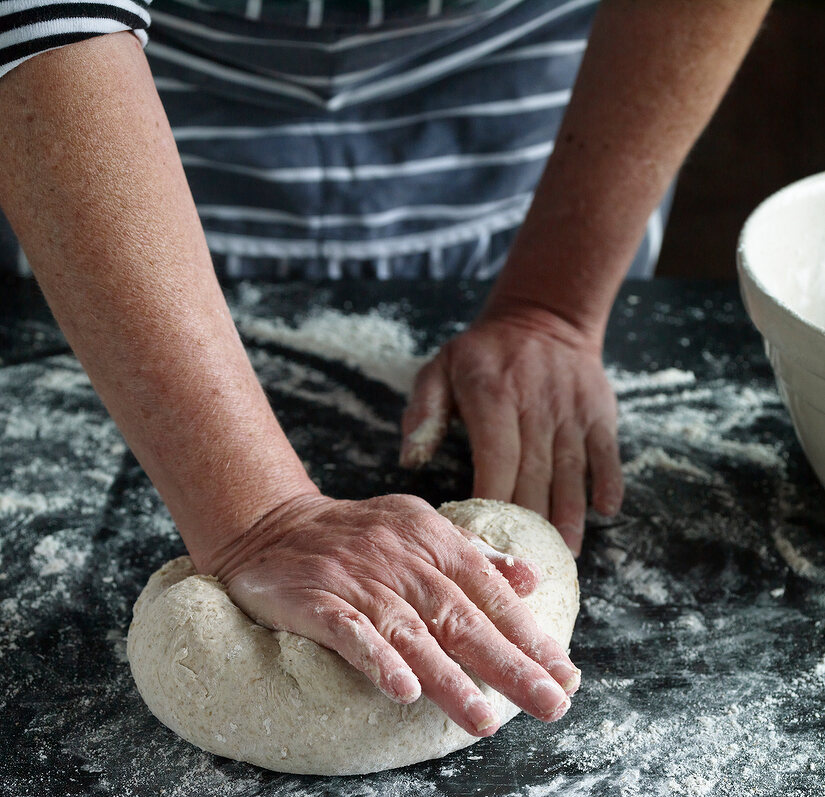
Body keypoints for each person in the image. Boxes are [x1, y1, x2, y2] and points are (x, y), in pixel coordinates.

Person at [0, 0, 772, 740]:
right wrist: (254, 516)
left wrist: (551, 305)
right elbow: (48, 14)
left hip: (534, 118)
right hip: (112, 138)